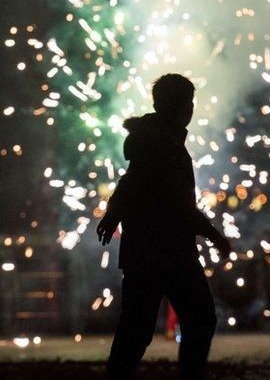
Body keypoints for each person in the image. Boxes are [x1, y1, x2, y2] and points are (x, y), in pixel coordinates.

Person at [97, 73, 232, 379]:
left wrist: (113, 214)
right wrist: (214, 236)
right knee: (196, 319)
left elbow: (130, 180)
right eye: (187, 103)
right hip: (168, 252)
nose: (190, 110)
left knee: (138, 328)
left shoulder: (155, 141)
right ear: (174, 105)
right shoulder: (162, 146)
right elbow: (178, 204)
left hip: (148, 252)